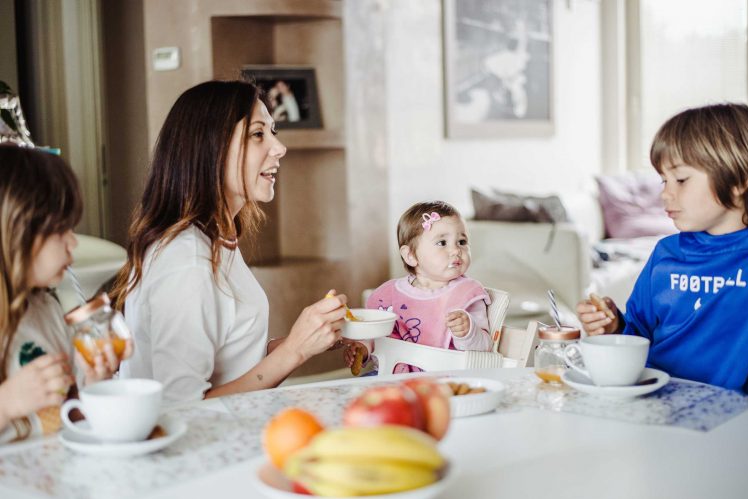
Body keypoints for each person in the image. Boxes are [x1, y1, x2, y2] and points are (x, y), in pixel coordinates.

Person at [112, 80, 347, 403]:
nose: (279, 148)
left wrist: (307, 338)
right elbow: (182, 407)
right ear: (212, 148)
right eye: (258, 134)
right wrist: (294, 351)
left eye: (273, 132)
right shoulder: (186, 260)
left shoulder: (215, 238)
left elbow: (227, 356)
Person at [576, 103, 748, 394]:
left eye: (681, 179)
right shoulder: (665, 254)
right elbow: (637, 333)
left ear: (739, 181)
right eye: (663, 180)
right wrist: (613, 326)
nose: (665, 194)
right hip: (655, 402)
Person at [0, 146, 127, 443]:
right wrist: (6, 403)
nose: (73, 243)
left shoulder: (47, 310)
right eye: (60, 230)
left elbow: (74, 417)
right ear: (15, 233)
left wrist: (97, 382)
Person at [346, 201, 492, 374]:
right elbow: (377, 338)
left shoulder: (466, 293)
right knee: (362, 393)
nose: (456, 250)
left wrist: (468, 332)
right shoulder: (389, 294)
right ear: (410, 255)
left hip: (444, 380)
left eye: (461, 241)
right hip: (389, 378)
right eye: (442, 243)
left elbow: (484, 346)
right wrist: (363, 350)